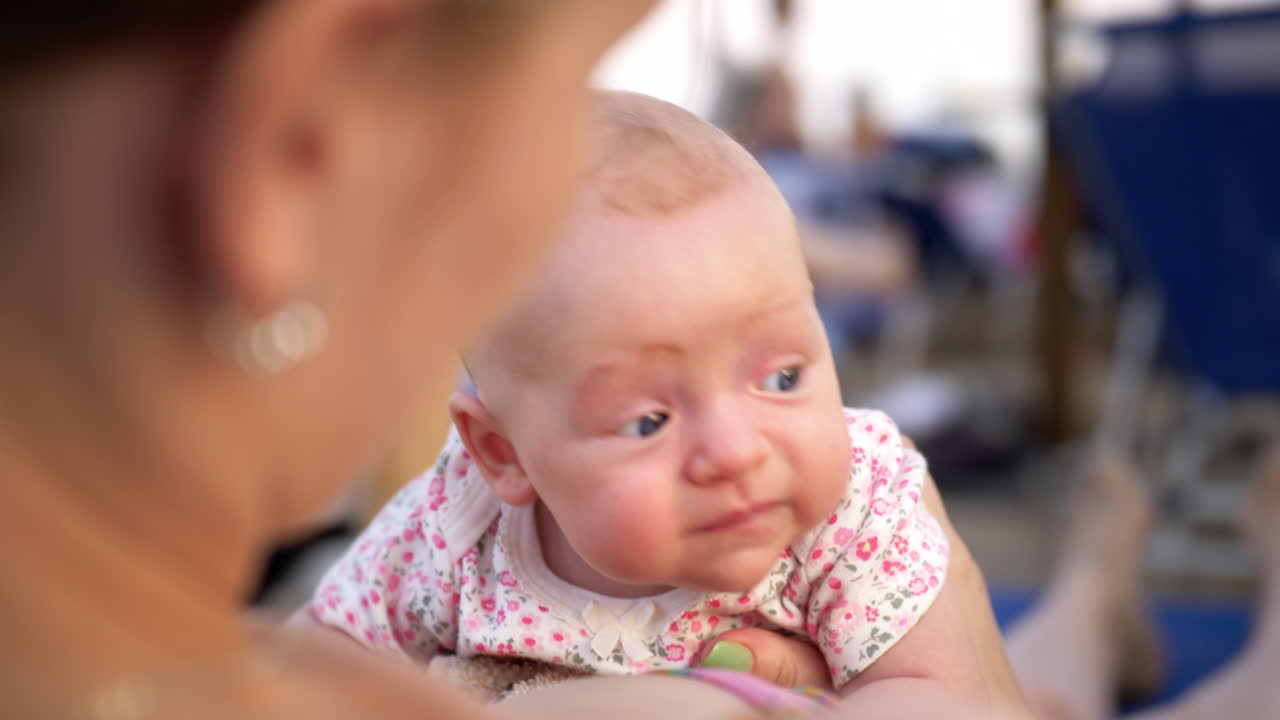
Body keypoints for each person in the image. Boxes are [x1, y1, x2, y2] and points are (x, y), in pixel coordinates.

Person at [303, 90, 1010, 714]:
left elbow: (947, 700)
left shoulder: (858, 517)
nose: (736, 451)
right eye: (649, 421)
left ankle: (1092, 604)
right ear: (502, 453)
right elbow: (315, 663)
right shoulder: (456, 528)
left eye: (783, 379)